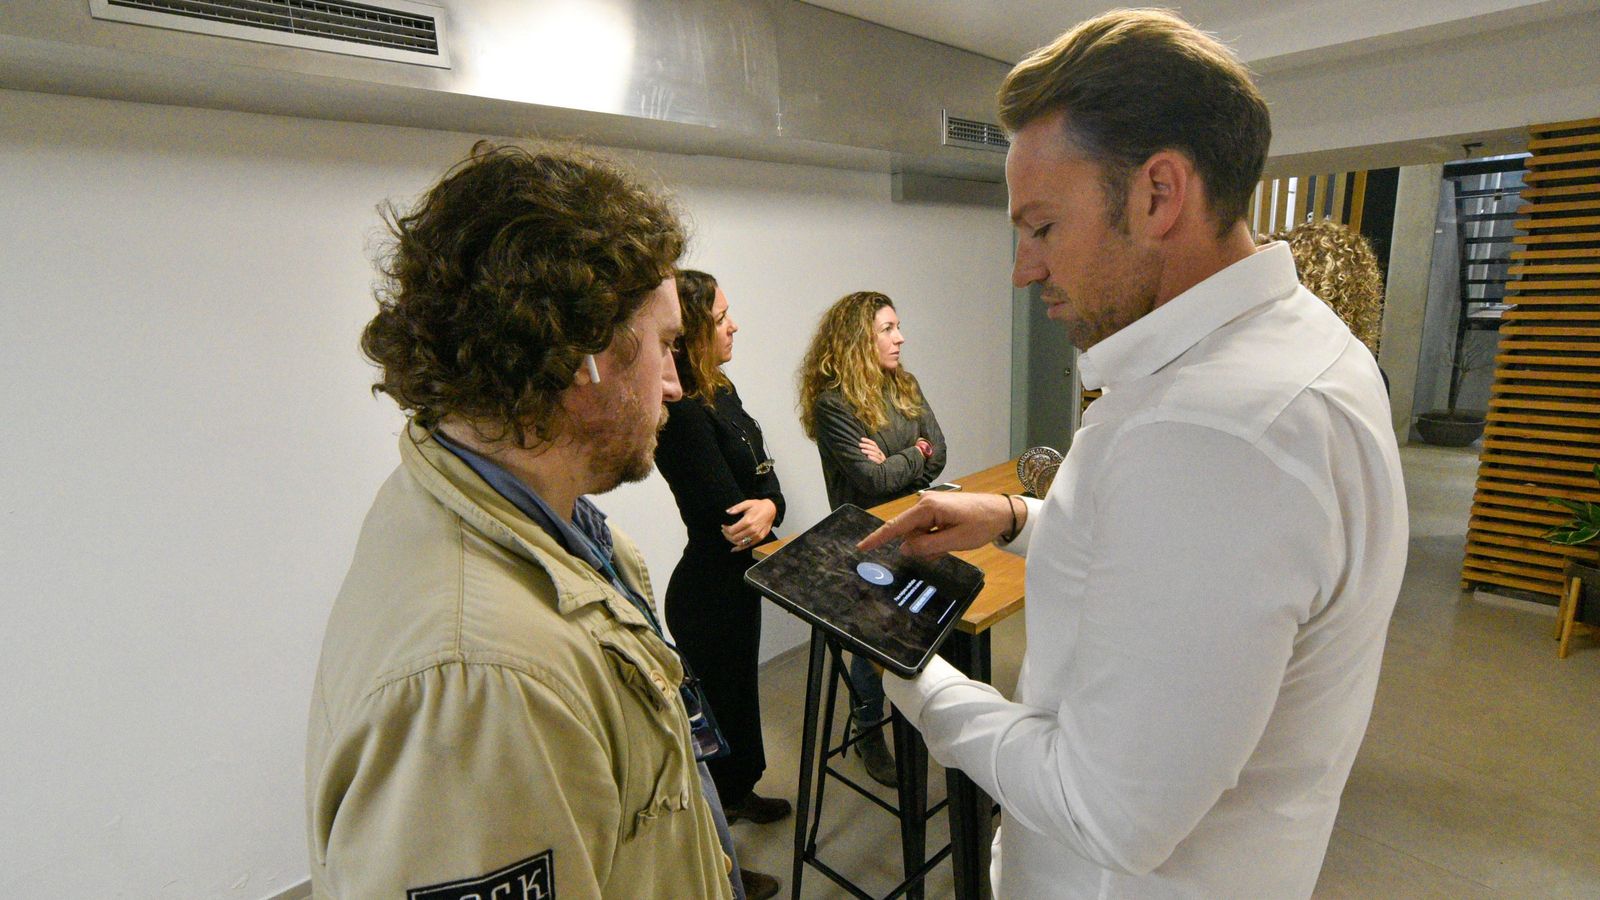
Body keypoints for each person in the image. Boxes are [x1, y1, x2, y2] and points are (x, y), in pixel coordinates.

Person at [860, 10, 1408, 898]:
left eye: (1041, 227)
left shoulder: (1213, 432)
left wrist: (915, 678)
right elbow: (1176, 568)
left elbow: (1105, 811)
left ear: (1159, 193)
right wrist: (1017, 519)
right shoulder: (1298, 351)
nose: (1023, 268)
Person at [305, 142, 743, 898]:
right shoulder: (481, 683)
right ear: (584, 356)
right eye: (667, 346)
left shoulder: (519, 519)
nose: (675, 385)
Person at [653, 269, 787, 900]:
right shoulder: (680, 417)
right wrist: (762, 507)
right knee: (714, 720)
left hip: (741, 581)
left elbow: (767, 480)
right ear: (693, 331)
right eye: (723, 317)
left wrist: (772, 506)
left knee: (740, 703)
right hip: (709, 590)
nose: (735, 325)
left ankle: (742, 793)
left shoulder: (721, 392)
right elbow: (728, 516)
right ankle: (722, 866)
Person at [797, 290, 946, 787]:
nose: (900, 337)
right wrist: (914, 453)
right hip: (864, 539)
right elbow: (873, 483)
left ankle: (915, 717)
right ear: (859, 338)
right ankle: (868, 732)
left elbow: (940, 452)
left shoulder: (905, 384)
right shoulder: (834, 404)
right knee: (872, 643)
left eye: (897, 326)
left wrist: (902, 457)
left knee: (920, 627)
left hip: (915, 524)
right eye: (887, 329)